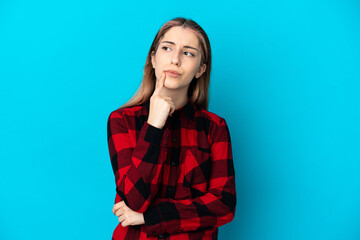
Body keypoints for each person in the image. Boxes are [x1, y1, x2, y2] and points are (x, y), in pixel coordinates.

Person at [107, 17, 236, 240]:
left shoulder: (214, 128)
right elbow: (134, 201)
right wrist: (154, 126)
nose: (175, 60)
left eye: (188, 53)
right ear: (153, 58)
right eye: (167, 48)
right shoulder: (122, 121)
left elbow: (223, 205)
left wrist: (152, 216)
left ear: (200, 69)